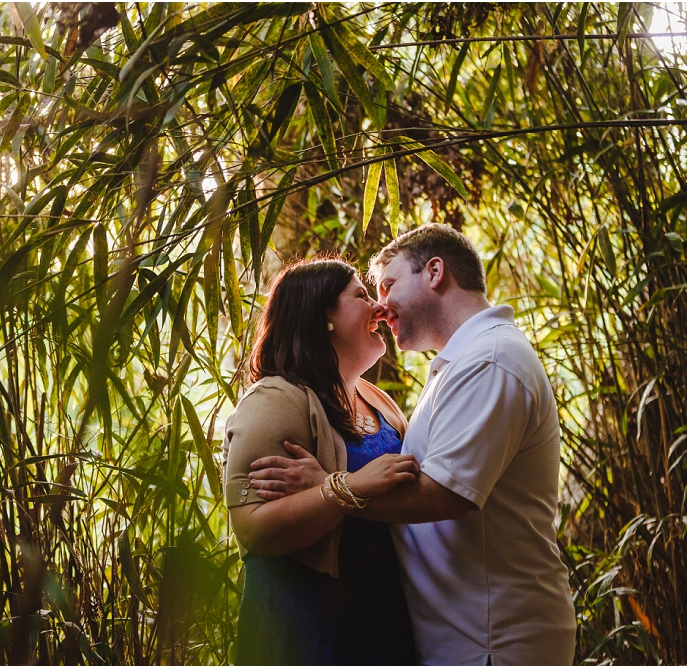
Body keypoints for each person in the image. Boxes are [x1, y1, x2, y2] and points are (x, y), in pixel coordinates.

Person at [247, 224, 577, 665]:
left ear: (434, 272)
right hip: (457, 632)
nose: (380, 305)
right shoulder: (460, 364)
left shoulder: (490, 360)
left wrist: (331, 487)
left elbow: (444, 494)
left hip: (494, 637)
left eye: (387, 284)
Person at [222, 257, 420, 665]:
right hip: (305, 628)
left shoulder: (377, 400)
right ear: (323, 316)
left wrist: (329, 482)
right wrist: (348, 487)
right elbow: (252, 528)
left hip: (379, 617)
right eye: (362, 295)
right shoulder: (275, 401)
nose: (379, 307)